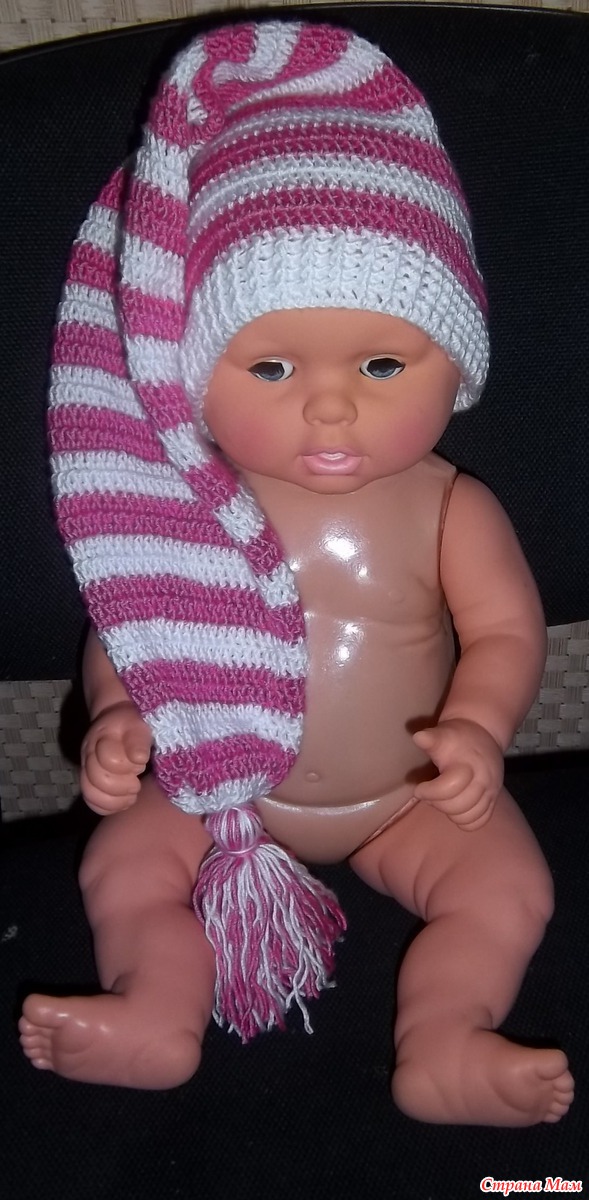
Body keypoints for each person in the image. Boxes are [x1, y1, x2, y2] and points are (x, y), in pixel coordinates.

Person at [19, 19, 573, 1124]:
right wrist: (121, 713)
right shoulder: (174, 505)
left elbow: (507, 633)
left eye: (382, 363)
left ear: (456, 365)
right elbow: (137, 623)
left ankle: (447, 1039)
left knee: (509, 890)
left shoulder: (451, 507)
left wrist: (475, 729)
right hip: (220, 790)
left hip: (403, 801)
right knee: (124, 869)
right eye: (271, 366)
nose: (330, 406)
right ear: (192, 378)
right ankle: (153, 1009)